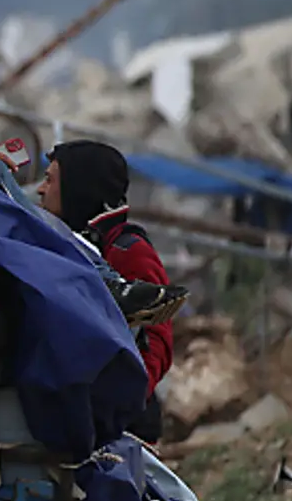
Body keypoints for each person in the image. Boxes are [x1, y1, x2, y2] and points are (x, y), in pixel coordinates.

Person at [41, 141, 185, 424]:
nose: (40, 189)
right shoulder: (60, 240)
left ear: (75, 188)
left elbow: (156, 340)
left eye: (49, 180)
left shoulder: (127, 249)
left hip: (121, 424)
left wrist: (122, 399)